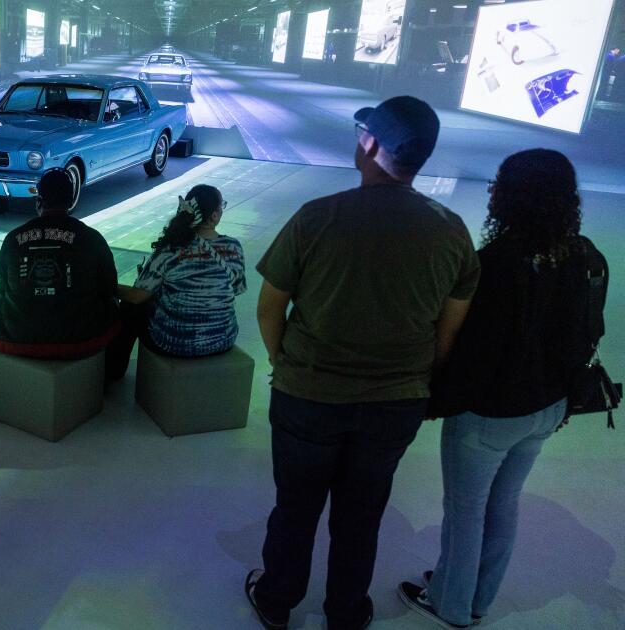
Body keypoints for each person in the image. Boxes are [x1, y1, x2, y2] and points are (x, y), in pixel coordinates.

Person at [245, 96, 481, 630]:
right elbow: (448, 333)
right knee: (361, 516)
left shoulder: (317, 217)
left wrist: (285, 364)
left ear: (370, 144)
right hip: (395, 405)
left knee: (295, 508)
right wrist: (418, 380)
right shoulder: (451, 231)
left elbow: (268, 308)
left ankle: (277, 599)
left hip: (308, 397)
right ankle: (347, 613)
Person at [397, 150, 607, 629]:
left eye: (498, 184)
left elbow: (472, 347)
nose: (492, 190)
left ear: (512, 196)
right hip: (549, 408)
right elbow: (586, 331)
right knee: (504, 502)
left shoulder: (495, 262)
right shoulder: (585, 254)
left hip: (490, 414)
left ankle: (450, 605)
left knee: (466, 511)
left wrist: (435, 395)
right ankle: (476, 598)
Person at [107, 184, 246, 380]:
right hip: (223, 340)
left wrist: (106, 287)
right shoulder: (234, 247)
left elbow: (138, 295)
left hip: (173, 343)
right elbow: (236, 289)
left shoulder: (171, 248)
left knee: (131, 308)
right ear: (214, 216)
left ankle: (112, 373)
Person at [0, 168, 120, 359]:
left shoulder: (13, 238)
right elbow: (109, 287)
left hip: (14, 338)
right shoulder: (91, 238)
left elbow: (4, 285)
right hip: (81, 341)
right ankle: (109, 373)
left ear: (39, 201)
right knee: (114, 305)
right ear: (71, 201)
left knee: (0, 295)